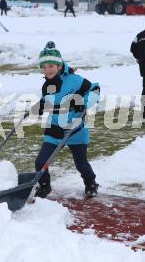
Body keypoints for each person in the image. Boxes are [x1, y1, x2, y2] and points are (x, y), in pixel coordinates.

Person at [33, 41, 100, 198]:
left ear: (58, 65)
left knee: (81, 164)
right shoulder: (47, 84)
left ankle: (91, 183)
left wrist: (83, 102)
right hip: (55, 128)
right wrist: (41, 106)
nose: (47, 70)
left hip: (75, 130)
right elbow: (49, 101)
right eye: (44, 67)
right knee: (40, 162)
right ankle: (44, 186)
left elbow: (95, 90)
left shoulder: (74, 80)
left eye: (50, 66)